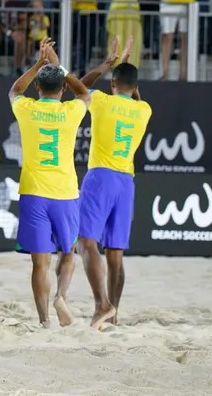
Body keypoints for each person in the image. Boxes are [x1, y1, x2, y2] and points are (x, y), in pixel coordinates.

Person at [7, 38, 90, 328]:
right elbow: (85, 93)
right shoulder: (71, 111)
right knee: (69, 253)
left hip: (34, 193)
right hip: (66, 192)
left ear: (38, 88)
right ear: (63, 89)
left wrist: (39, 64)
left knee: (39, 262)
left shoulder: (27, 108)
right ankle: (61, 296)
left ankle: (43, 320)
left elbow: (15, 89)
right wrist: (58, 64)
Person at [78, 36, 151, 329]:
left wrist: (107, 64)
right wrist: (123, 70)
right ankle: (115, 312)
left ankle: (101, 306)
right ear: (135, 88)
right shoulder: (144, 110)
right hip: (126, 182)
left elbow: (79, 86)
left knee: (86, 242)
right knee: (116, 254)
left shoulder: (101, 101)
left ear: (112, 84)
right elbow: (134, 95)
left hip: (101, 177)